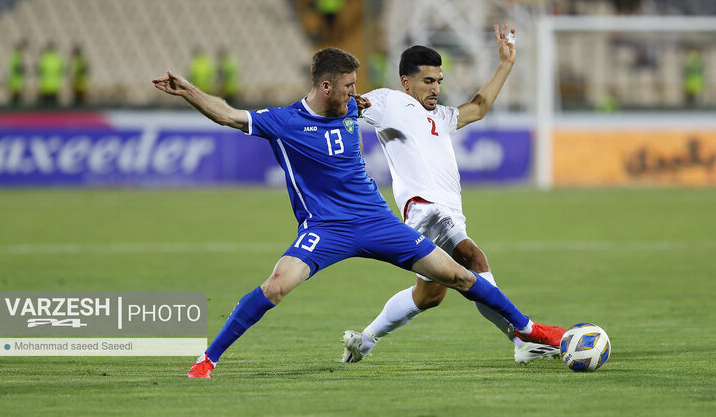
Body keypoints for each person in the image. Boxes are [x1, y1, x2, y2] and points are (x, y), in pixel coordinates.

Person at [152, 47, 565, 379]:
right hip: (325, 229)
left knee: (458, 274)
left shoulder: (353, 107)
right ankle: (208, 360)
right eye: (348, 86)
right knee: (277, 285)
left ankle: (529, 331)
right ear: (326, 85)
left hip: (378, 222)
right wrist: (190, 92)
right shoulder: (283, 121)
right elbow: (226, 114)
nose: (355, 93)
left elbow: (431, 109)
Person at [340, 25, 561, 365]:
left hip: (439, 211)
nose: (436, 88)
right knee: (473, 258)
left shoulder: (441, 117)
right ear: (406, 81)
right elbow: (348, 106)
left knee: (429, 295)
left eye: (439, 81)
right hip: (426, 208)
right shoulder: (389, 102)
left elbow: (480, 107)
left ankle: (365, 339)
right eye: (428, 80)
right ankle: (521, 339)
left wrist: (505, 64)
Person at [37, 42, 65, 107]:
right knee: (54, 108)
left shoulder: (43, 58)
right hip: (55, 86)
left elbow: (40, 71)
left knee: (45, 108)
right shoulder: (58, 59)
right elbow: (61, 71)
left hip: (45, 86)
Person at [7, 39, 27, 106]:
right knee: (16, 100)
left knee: (15, 100)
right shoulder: (17, 57)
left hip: (15, 82)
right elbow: (18, 69)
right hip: (16, 83)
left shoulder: (15, 56)